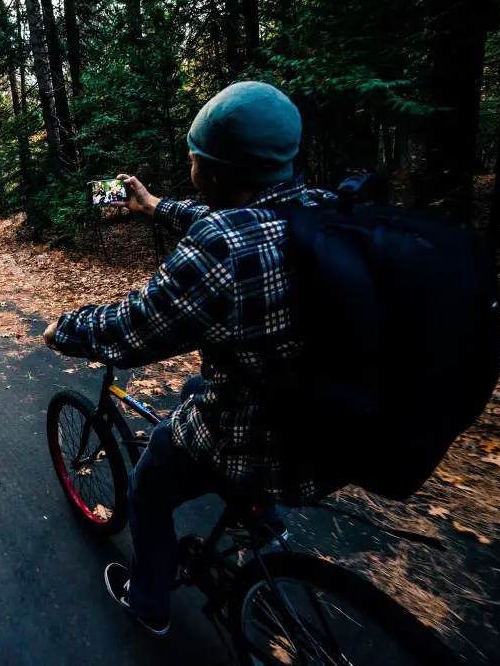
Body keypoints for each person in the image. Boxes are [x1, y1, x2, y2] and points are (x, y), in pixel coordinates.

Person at [43, 81, 341, 635]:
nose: (189, 159)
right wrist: (154, 206)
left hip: (265, 437)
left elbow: (135, 331)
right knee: (191, 396)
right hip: (330, 422)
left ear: (212, 167)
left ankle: (149, 603)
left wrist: (66, 328)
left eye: (194, 153)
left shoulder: (222, 249)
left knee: (150, 487)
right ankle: (263, 532)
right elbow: (225, 219)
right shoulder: (320, 208)